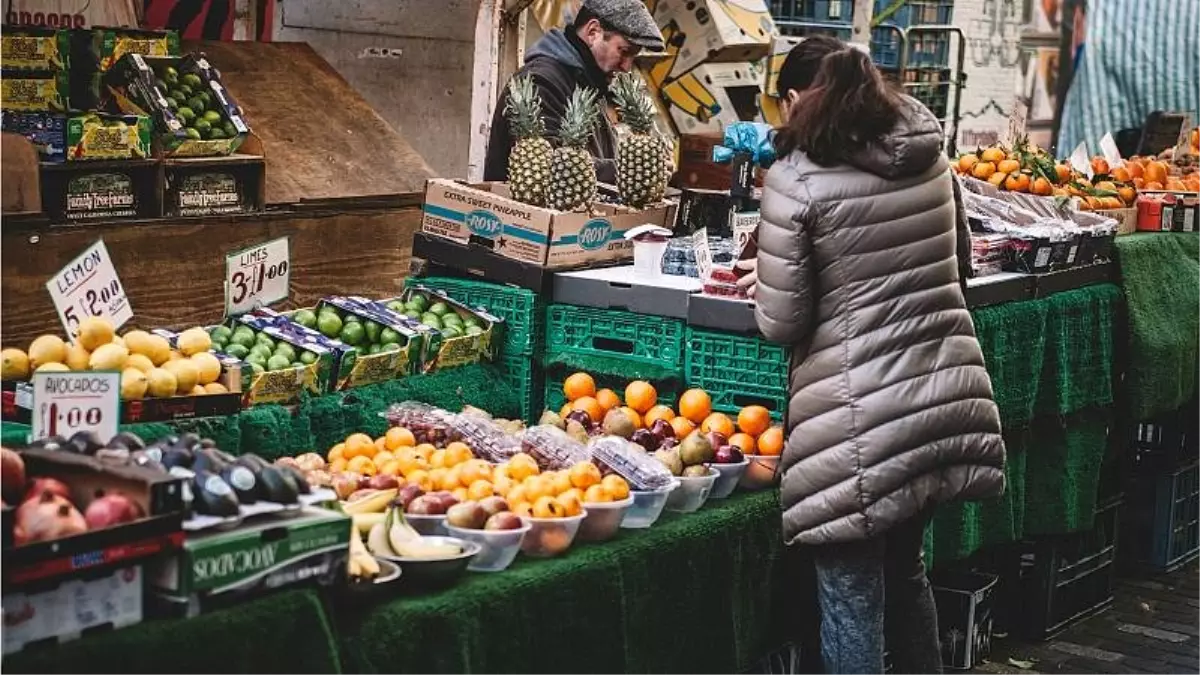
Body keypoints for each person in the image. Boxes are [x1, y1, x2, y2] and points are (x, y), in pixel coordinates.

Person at [737, 36, 1006, 674]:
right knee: (905, 572)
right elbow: (959, 267)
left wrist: (766, 281)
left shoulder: (796, 179)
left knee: (851, 594)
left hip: (859, 417)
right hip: (943, 395)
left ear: (799, 98)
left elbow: (782, 321)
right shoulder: (930, 158)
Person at [483, 0, 664, 186]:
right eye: (624, 51)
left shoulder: (589, 82)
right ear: (593, 32)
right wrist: (632, 169)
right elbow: (547, 168)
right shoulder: (541, 81)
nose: (626, 67)